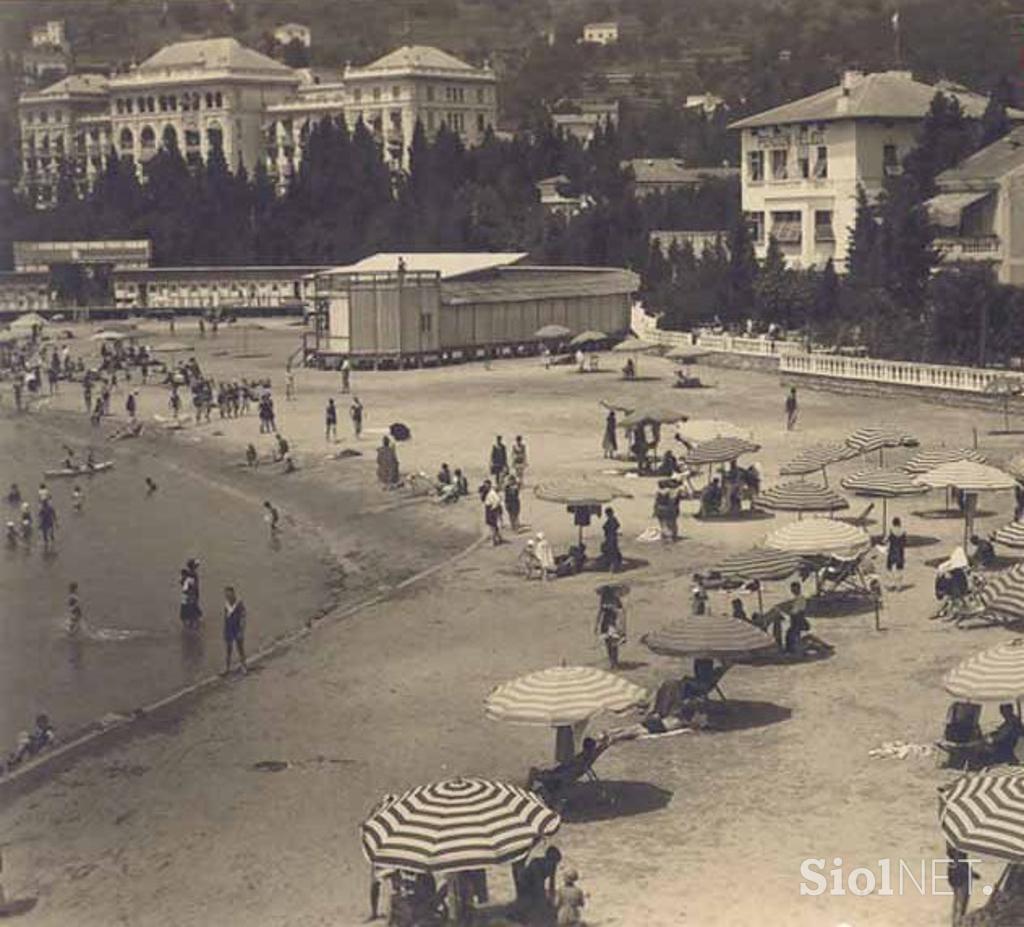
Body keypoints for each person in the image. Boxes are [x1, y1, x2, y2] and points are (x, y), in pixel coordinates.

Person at [516, 847, 562, 915]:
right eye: (552, 862)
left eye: (555, 862)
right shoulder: (536, 863)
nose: (553, 864)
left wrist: (552, 897)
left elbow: (552, 883)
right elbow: (539, 885)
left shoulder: (552, 865)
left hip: (535, 882)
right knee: (528, 901)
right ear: (547, 859)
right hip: (525, 882)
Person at [595, 585, 627, 668]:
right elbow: (600, 612)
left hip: (613, 623)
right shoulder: (603, 600)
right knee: (608, 643)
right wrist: (597, 624)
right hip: (605, 623)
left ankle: (615, 662)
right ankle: (612, 662)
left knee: (613, 643)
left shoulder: (616, 600)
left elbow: (621, 613)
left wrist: (622, 627)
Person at [222, 585, 248, 674]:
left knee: (240, 648)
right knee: (228, 649)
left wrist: (241, 630)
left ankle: (244, 666)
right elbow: (225, 618)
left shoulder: (239, 604)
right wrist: (225, 630)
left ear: (233, 594)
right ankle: (227, 667)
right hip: (229, 629)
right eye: (226, 595)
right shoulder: (226, 604)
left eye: (229, 594)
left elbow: (243, 617)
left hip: (237, 628)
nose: (228, 596)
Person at [886, 517, 908, 590]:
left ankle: (890, 584)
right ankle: (899, 586)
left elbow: (887, 540)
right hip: (900, 551)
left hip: (892, 551)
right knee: (899, 569)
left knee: (889, 568)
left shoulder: (891, 530)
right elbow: (905, 542)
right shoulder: (903, 531)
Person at [601, 507, 623, 572]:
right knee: (613, 551)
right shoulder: (612, 520)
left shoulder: (612, 520)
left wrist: (612, 531)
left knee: (612, 551)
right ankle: (614, 565)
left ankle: (614, 566)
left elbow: (612, 527)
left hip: (611, 538)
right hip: (611, 537)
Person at [484, 481, 504, 545]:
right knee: (494, 525)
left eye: (486, 485)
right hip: (488, 508)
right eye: (485, 485)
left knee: (492, 526)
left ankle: (493, 541)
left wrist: (493, 507)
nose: (486, 487)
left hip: (491, 509)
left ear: (489, 485)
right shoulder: (488, 492)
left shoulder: (492, 492)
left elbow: (498, 500)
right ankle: (499, 538)